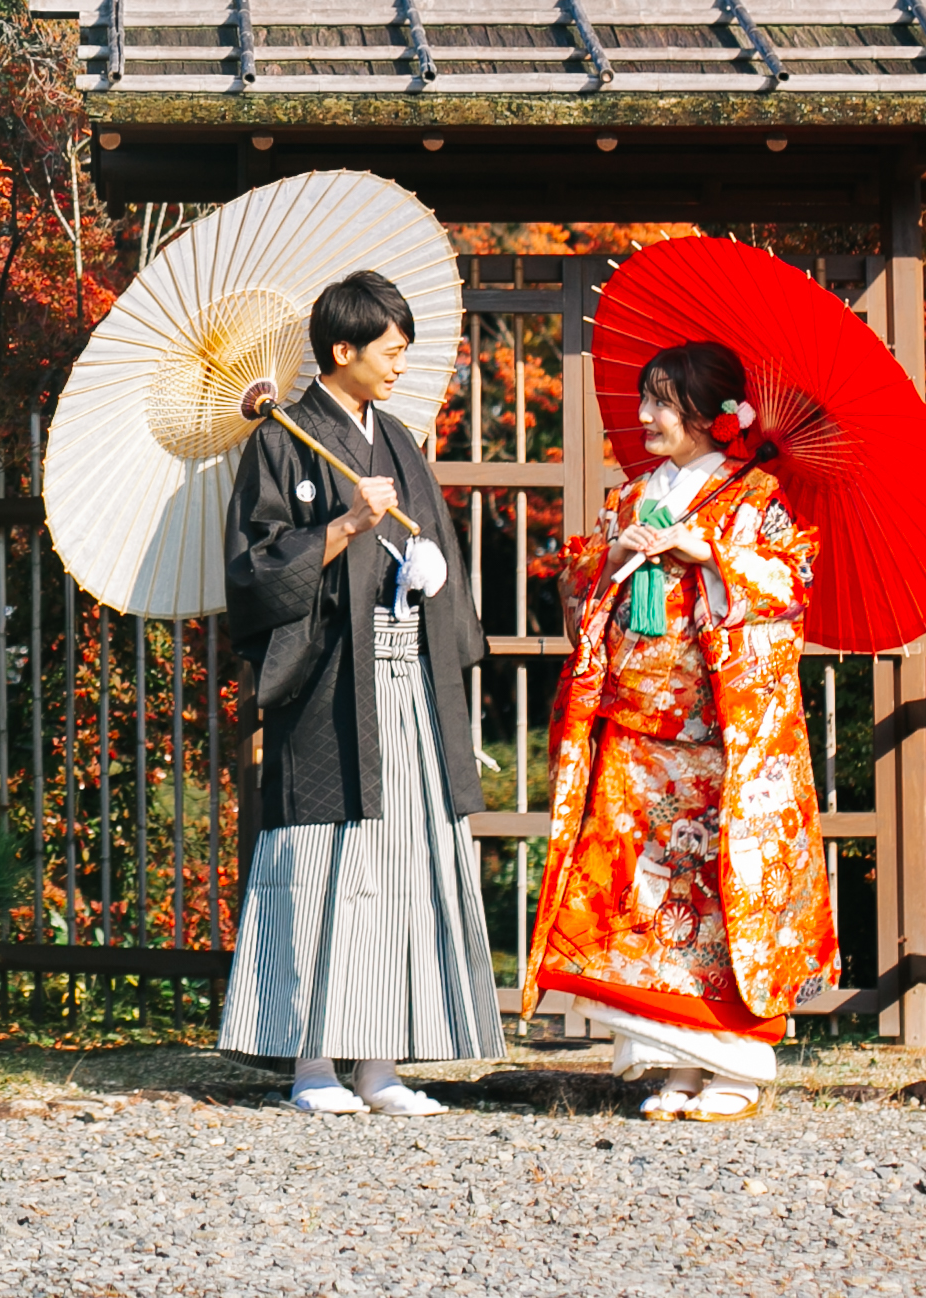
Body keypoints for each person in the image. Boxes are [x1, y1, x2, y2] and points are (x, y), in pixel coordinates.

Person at [522, 340, 837, 1123]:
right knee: (644, 897)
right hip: (636, 731)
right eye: (646, 399)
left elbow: (790, 586)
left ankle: (733, 1065)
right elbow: (581, 592)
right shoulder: (631, 498)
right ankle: (675, 1062)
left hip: (717, 736)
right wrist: (605, 562)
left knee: (718, 900)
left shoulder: (755, 495)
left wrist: (710, 554)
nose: (646, 416)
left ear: (708, 412)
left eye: (664, 401)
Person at [216, 267, 504, 1115]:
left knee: (402, 864)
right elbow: (252, 573)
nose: (399, 366)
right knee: (324, 868)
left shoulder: (400, 441)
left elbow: (433, 554)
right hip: (328, 687)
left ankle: (379, 1068)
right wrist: (341, 527)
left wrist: (431, 576)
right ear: (341, 350)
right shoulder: (282, 440)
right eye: (389, 350)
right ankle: (311, 1067)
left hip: (404, 679)